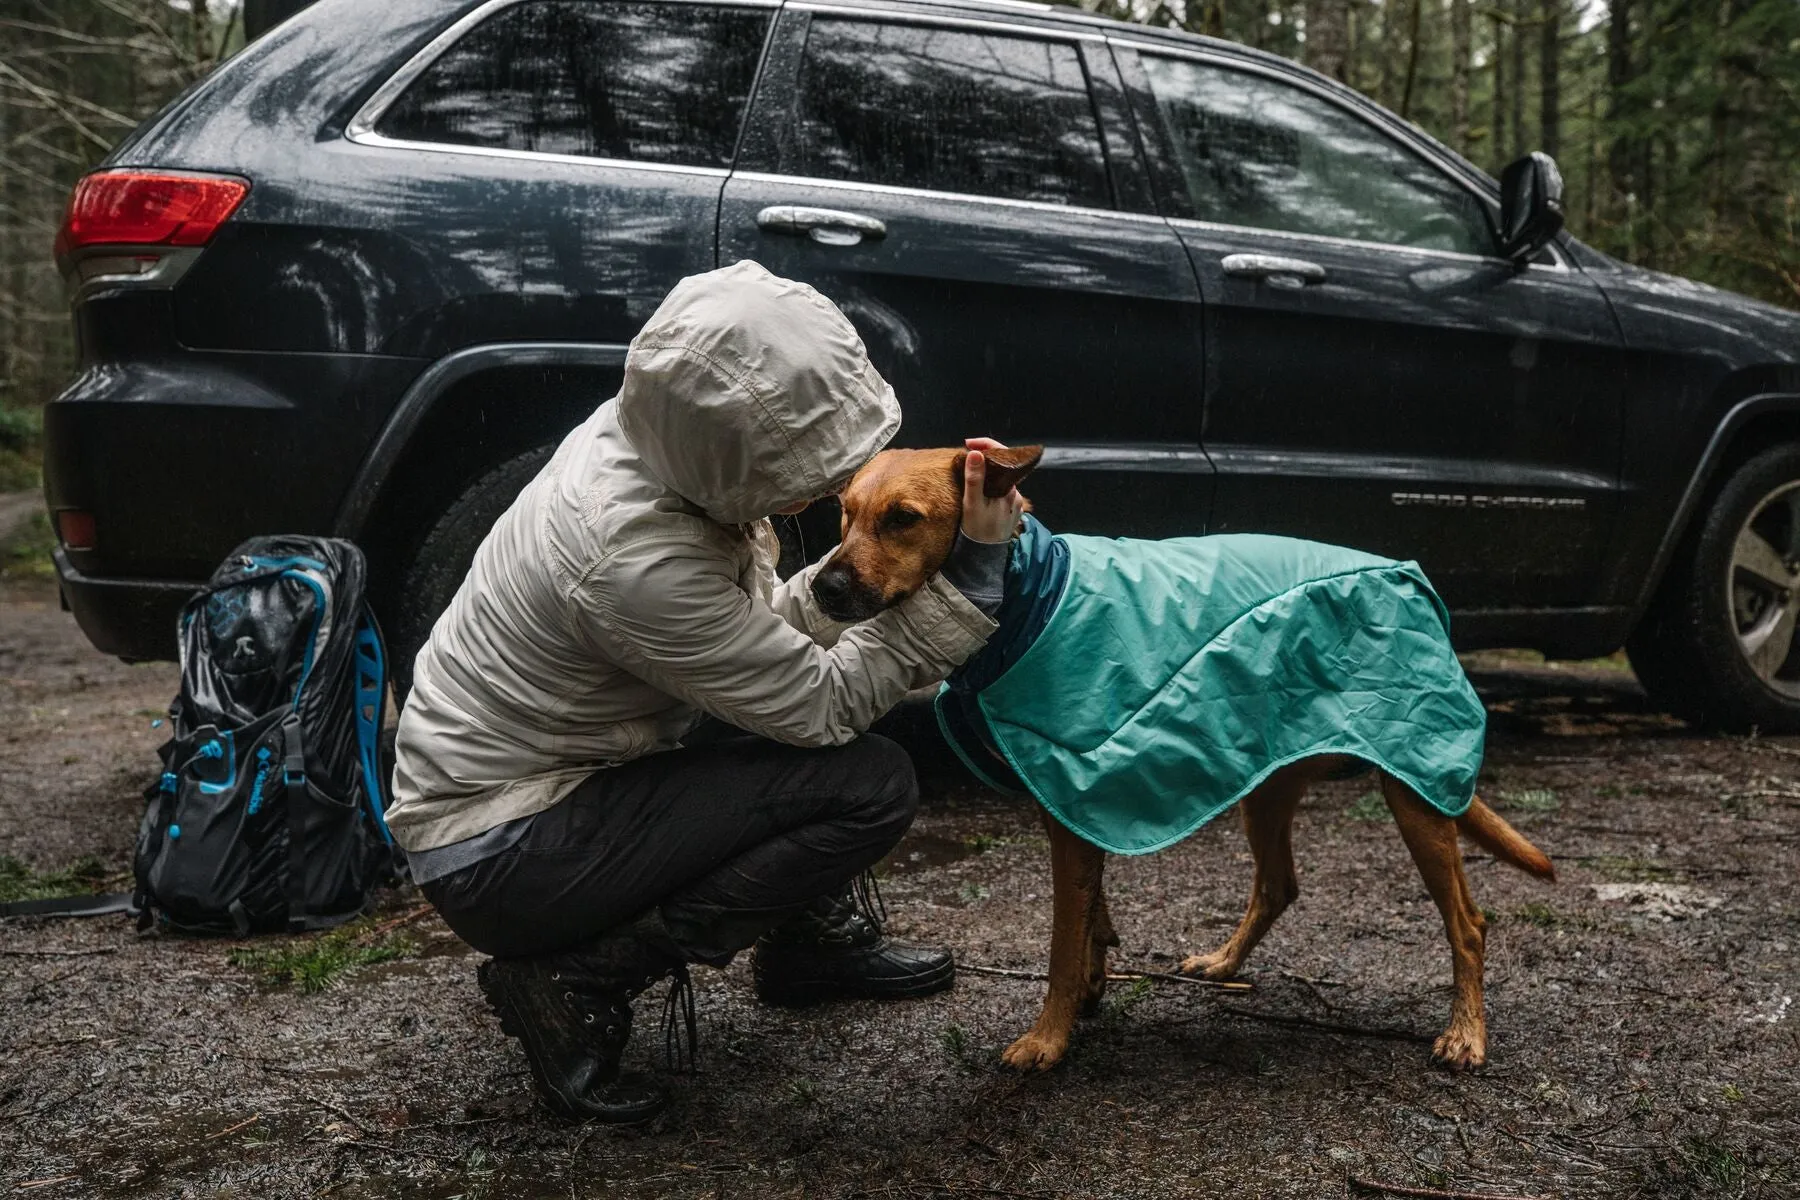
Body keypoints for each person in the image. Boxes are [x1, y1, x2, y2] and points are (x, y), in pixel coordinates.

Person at [386, 260, 1022, 1122]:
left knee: (763, 723)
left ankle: (805, 948)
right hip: (503, 851)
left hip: (552, 789)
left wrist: (841, 590)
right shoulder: (629, 556)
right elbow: (825, 705)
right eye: (806, 462)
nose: (827, 480)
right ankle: (571, 983)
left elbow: (753, 653)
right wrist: (969, 578)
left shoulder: (658, 441)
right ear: (734, 447)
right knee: (867, 783)